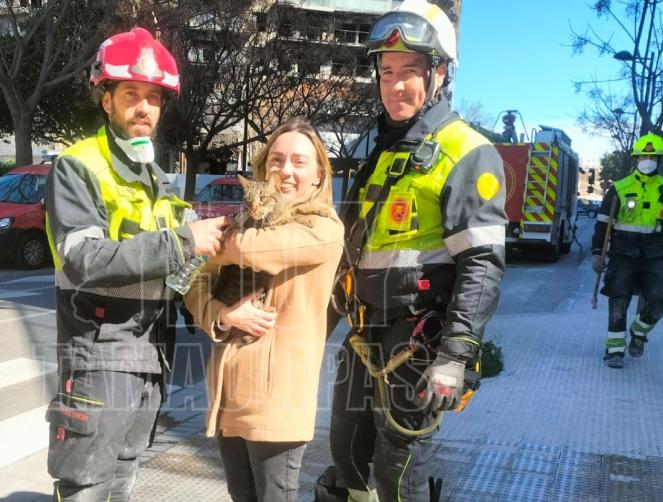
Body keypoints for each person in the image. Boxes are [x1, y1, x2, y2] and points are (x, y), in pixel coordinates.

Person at [319, 1, 507, 500]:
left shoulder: (467, 151)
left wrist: (456, 356)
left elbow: (482, 264)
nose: (395, 85)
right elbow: (354, 250)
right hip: (365, 335)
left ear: (439, 73)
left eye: (409, 71)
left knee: (398, 470)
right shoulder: (384, 151)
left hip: (418, 341)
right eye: (386, 72)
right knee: (345, 453)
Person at [43, 27, 228, 501]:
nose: (144, 107)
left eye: (154, 97)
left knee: (122, 483)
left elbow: (175, 273)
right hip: (99, 356)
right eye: (131, 94)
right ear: (106, 100)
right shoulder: (79, 166)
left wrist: (223, 296)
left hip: (150, 357)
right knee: (86, 486)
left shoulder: (156, 179)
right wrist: (184, 241)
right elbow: (83, 259)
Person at [184, 118, 344, 502]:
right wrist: (222, 314)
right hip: (228, 395)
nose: (285, 170)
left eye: (299, 161)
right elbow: (193, 283)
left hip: (278, 406)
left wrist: (215, 240)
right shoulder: (247, 220)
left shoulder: (323, 229)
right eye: (276, 160)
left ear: (319, 174)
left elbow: (255, 249)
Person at [591, 132, 663, 369]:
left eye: (652, 156)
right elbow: (603, 223)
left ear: (659, 159)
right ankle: (615, 350)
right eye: (643, 156)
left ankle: (639, 332)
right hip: (622, 252)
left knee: (659, 300)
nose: (648, 160)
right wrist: (597, 251)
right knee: (618, 301)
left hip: (654, 253)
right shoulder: (619, 188)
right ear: (636, 158)